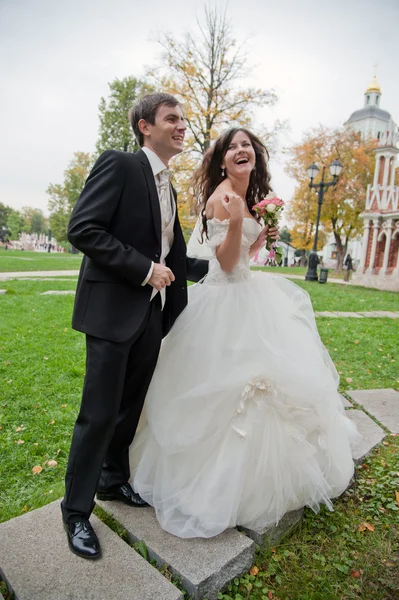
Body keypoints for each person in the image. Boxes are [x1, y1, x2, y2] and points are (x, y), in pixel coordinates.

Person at [130, 127, 359, 539]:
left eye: (246, 146)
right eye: (232, 147)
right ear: (222, 160)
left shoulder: (247, 197)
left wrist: (261, 235)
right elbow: (228, 264)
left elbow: (246, 258)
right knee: (234, 387)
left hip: (247, 295)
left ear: (254, 158)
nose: (240, 151)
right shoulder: (224, 198)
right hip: (225, 302)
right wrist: (238, 224)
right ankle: (223, 486)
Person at [61, 92, 208, 559]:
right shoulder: (120, 165)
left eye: (183, 119)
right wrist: (145, 269)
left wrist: (220, 270)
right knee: (99, 413)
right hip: (111, 311)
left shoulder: (170, 185)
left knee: (129, 408)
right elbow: (84, 228)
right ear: (145, 126)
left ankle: (112, 481)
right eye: (172, 119)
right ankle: (75, 512)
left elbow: (171, 253)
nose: (182, 125)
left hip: (150, 313)